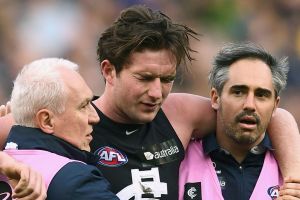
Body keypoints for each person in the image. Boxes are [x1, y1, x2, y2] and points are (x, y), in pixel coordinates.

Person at [0, 5, 300, 200]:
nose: (157, 93)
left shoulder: (180, 114)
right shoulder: (71, 116)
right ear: (108, 70)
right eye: (144, 78)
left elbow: (275, 115)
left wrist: (293, 181)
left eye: (166, 79)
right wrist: (7, 162)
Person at [179, 42, 300, 200]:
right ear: (216, 98)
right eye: (238, 92)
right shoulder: (179, 159)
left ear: (275, 105)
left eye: (261, 95)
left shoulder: (292, 175)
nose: (250, 105)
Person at [1, 58, 119, 200]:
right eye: (83, 106)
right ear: (47, 121)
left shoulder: (6, 162)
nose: (95, 117)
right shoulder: (76, 181)